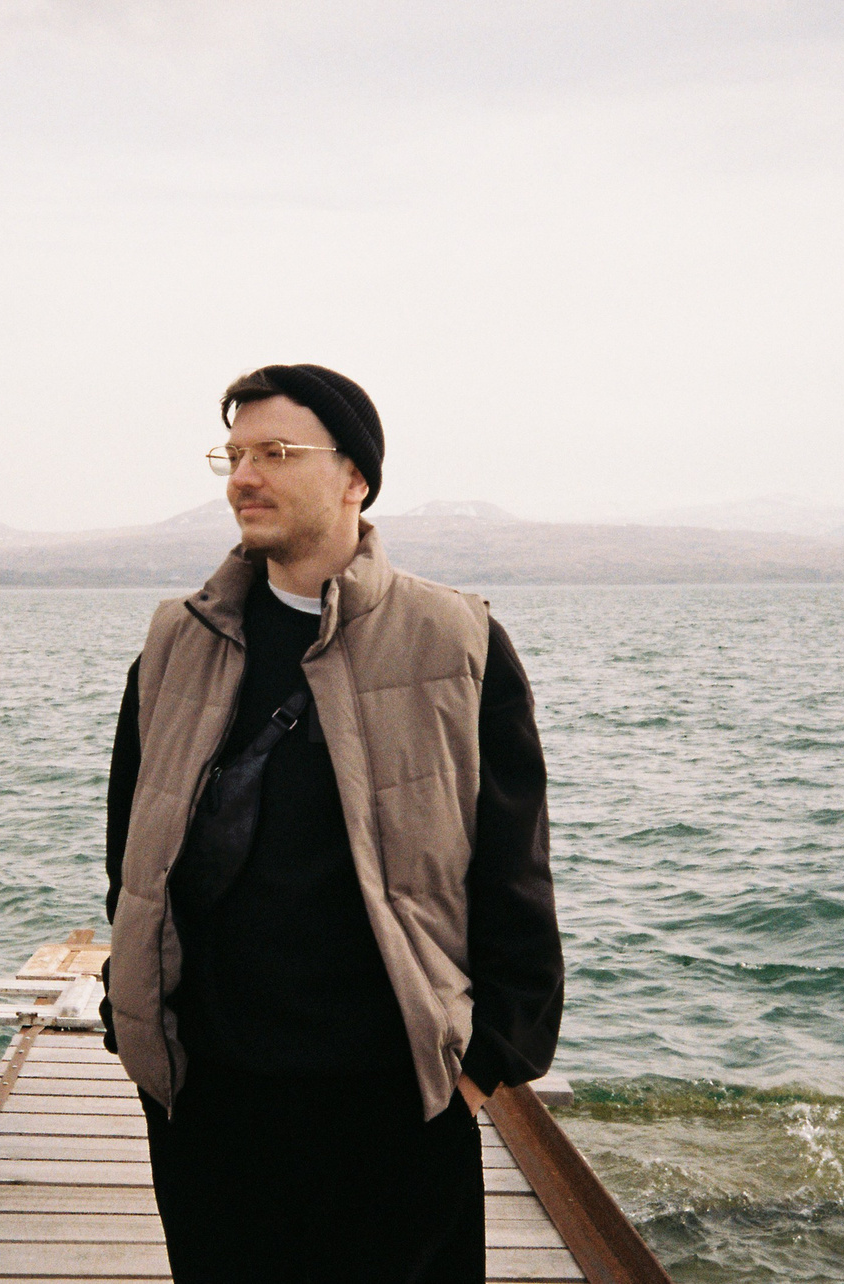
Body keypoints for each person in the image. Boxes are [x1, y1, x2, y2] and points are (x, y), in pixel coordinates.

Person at [100, 363, 563, 1283]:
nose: (243, 477)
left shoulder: (456, 641)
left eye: (275, 452)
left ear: (356, 477)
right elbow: (130, 858)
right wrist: (134, 1020)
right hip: (211, 1100)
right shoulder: (175, 643)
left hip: (393, 1103)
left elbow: (514, 872)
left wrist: (484, 1067)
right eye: (232, 455)